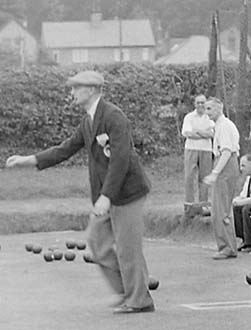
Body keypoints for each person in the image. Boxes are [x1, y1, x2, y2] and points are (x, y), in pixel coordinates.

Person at [5, 71, 155, 314]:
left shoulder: (114, 116)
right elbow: (65, 149)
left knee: (128, 249)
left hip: (127, 193)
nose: (72, 92)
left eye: (76, 88)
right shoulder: (89, 121)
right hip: (107, 195)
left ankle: (140, 300)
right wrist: (29, 160)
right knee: (97, 242)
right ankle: (128, 290)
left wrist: (106, 196)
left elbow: (121, 160)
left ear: (93, 90)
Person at [203, 97, 240, 260]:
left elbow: (226, 151)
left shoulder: (225, 126)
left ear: (220, 108)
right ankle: (227, 244)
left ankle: (227, 247)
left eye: (210, 109)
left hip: (226, 165)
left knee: (221, 209)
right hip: (224, 164)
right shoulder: (218, 126)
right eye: (206, 109)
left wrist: (215, 172)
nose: (207, 112)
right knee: (220, 208)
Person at [181, 94, 214, 204]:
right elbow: (187, 133)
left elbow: (212, 133)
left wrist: (197, 131)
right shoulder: (189, 117)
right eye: (198, 102)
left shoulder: (210, 116)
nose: (200, 105)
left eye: (202, 102)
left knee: (204, 177)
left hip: (206, 150)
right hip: (191, 148)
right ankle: (189, 203)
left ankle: (203, 203)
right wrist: (204, 133)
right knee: (189, 176)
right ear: (195, 104)